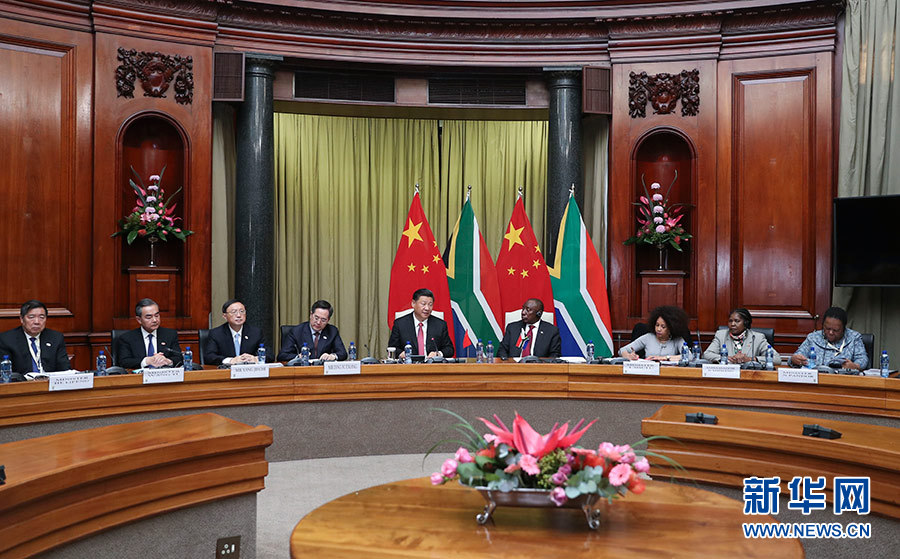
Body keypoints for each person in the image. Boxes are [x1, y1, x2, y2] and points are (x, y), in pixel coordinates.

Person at [0, 300, 70, 373]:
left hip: (49, 379)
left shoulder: (56, 338)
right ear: (22, 319)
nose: (37, 322)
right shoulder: (6, 340)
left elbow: (65, 368)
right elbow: (5, 373)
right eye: (31, 317)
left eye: (41, 317)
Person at [790, 306, 868, 370]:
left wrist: (855, 366)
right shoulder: (813, 338)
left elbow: (863, 359)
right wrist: (794, 359)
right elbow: (796, 356)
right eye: (827, 328)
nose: (830, 332)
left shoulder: (854, 338)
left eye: (835, 330)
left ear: (844, 328)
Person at [115, 298, 183, 369]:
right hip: (140, 375)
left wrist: (167, 361)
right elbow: (124, 362)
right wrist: (146, 361)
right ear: (139, 320)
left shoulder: (170, 334)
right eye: (149, 317)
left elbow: (179, 357)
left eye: (157, 316)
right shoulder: (127, 338)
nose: (155, 320)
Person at [388, 288, 454, 359]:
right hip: (408, 364)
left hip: (432, 364)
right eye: (423, 304)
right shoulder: (400, 324)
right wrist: (401, 353)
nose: (427, 308)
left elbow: (449, 349)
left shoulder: (440, 325)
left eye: (430, 305)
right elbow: (392, 347)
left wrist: (438, 354)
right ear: (413, 303)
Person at [702, 308, 780, 365]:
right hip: (727, 374)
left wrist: (750, 359)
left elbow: (777, 359)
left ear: (746, 323)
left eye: (737, 321)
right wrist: (726, 358)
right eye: (730, 321)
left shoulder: (757, 337)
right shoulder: (721, 335)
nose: (732, 324)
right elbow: (706, 354)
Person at [277, 300, 347, 361]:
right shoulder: (296, 331)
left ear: (328, 320)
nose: (318, 322)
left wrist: (332, 356)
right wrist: (298, 357)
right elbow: (282, 355)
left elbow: (343, 353)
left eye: (323, 320)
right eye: (316, 318)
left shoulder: (332, 331)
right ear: (311, 315)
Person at [204, 299, 268, 366]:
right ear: (225, 316)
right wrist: (231, 360)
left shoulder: (255, 332)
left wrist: (255, 359)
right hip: (227, 371)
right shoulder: (216, 333)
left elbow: (270, 354)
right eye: (234, 312)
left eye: (242, 311)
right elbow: (209, 357)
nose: (239, 315)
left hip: (250, 370)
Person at [620, 305, 690, 361]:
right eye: (657, 325)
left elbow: (689, 356)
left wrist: (664, 358)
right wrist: (629, 356)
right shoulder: (647, 338)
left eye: (663, 327)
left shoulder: (678, 340)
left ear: (671, 328)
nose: (658, 329)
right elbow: (622, 350)